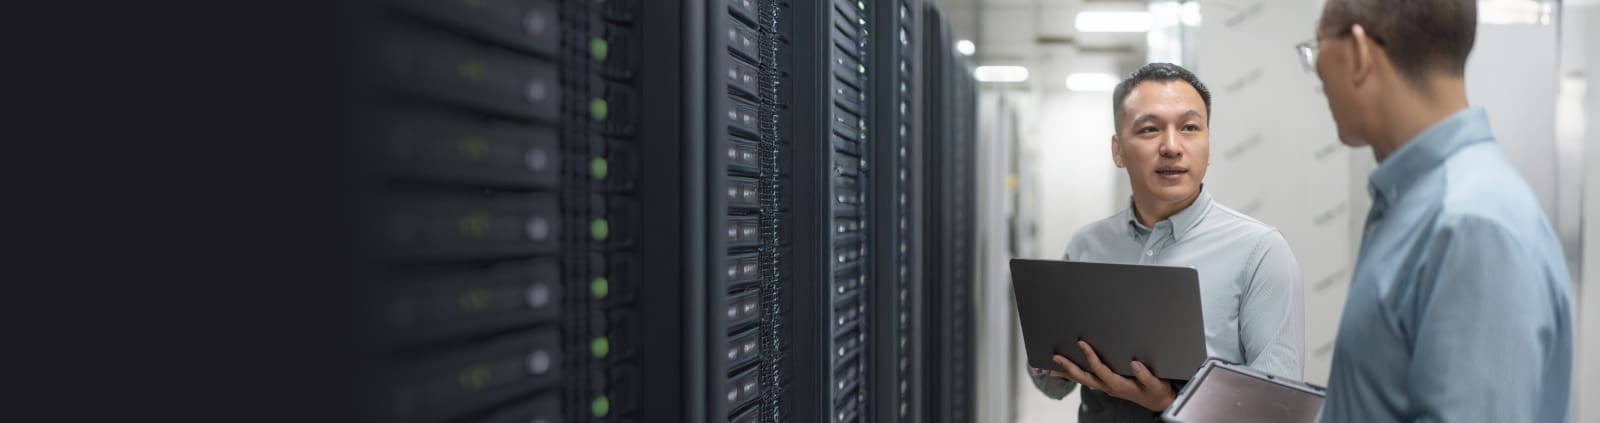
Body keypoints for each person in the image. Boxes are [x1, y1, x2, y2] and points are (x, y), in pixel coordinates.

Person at [1302, 1, 1576, 421]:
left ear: (1359, 52)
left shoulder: (1472, 226)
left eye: (1317, 46)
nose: (1317, 71)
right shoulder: (1415, 204)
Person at [1027, 62, 1304, 421]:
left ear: (1208, 143)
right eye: (1149, 129)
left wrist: (1170, 401)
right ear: (1118, 151)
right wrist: (1045, 343)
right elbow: (1052, 387)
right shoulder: (1087, 246)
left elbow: (1276, 412)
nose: (1171, 146)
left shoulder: (1260, 252)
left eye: (1189, 127)